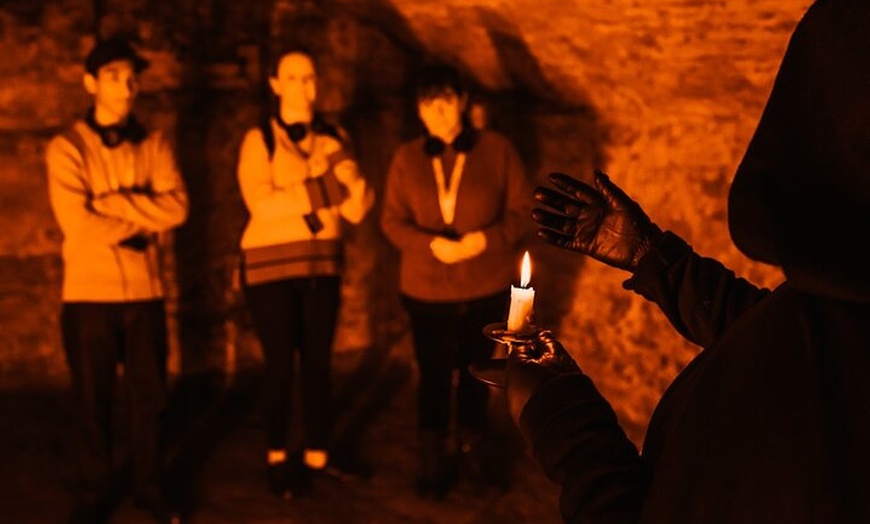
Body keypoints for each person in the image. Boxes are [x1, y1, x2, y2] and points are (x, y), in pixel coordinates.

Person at [506, 1, 870, 522]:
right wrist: (652, 258)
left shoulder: (815, 457)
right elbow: (784, 336)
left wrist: (559, 415)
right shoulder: (842, 310)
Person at [45, 37, 189, 524]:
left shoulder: (156, 142)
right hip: (89, 294)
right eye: (113, 76)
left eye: (132, 77)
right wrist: (145, 212)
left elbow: (179, 208)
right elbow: (78, 224)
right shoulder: (65, 149)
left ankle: (148, 486)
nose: (126, 87)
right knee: (93, 401)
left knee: (149, 399)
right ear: (91, 84)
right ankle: (93, 491)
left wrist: (112, 203)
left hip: (146, 292)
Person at [380, 63, 533, 498]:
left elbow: (522, 210)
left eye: (445, 100)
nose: (438, 112)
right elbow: (390, 222)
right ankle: (432, 455)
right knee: (431, 374)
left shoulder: (498, 150)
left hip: (484, 285)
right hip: (426, 290)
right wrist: (431, 245)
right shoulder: (406, 157)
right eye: (428, 103)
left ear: (461, 102)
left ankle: (472, 448)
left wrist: (485, 240)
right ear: (418, 110)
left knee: (474, 372)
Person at [236, 46, 375, 498]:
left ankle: (319, 451)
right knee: (280, 363)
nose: (303, 86)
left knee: (317, 362)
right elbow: (261, 204)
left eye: (310, 77)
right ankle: (277, 454)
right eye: (293, 77)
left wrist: (356, 186)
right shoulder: (258, 139)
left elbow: (354, 210)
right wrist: (326, 187)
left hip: (322, 264)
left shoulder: (336, 136)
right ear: (275, 84)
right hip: (269, 267)